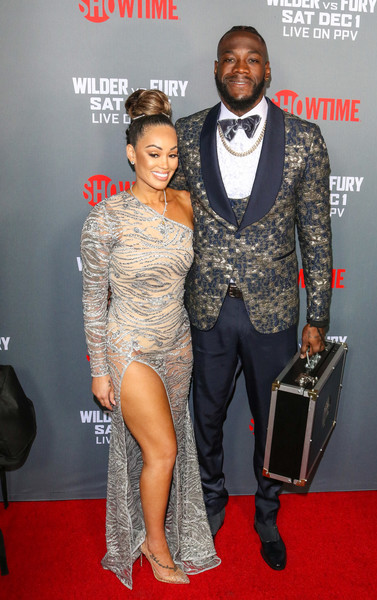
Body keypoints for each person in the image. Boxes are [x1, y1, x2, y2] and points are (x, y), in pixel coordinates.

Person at [171, 26, 332, 570]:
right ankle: (211, 503)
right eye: (230, 58)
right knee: (206, 416)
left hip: (275, 313)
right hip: (206, 308)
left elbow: (316, 234)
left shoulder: (304, 138)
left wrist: (318, 316)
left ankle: (267, 513)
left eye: (252, 58)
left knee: (274, 421)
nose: (240, 67)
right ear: (216, 69)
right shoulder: (186, 133)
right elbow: (170, 222)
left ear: (267, 70)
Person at [81, 89, 220, 589]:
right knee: (162, 450)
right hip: (130, 347)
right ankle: (154, 545)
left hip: (178, 345)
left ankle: (155, 527)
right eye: (153, 153)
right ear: (131, 153)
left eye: (172, 154)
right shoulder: (105, 217)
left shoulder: (187, 204)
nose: (164, 164)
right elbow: (93, 300)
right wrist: (100, 369)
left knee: (163, 450)